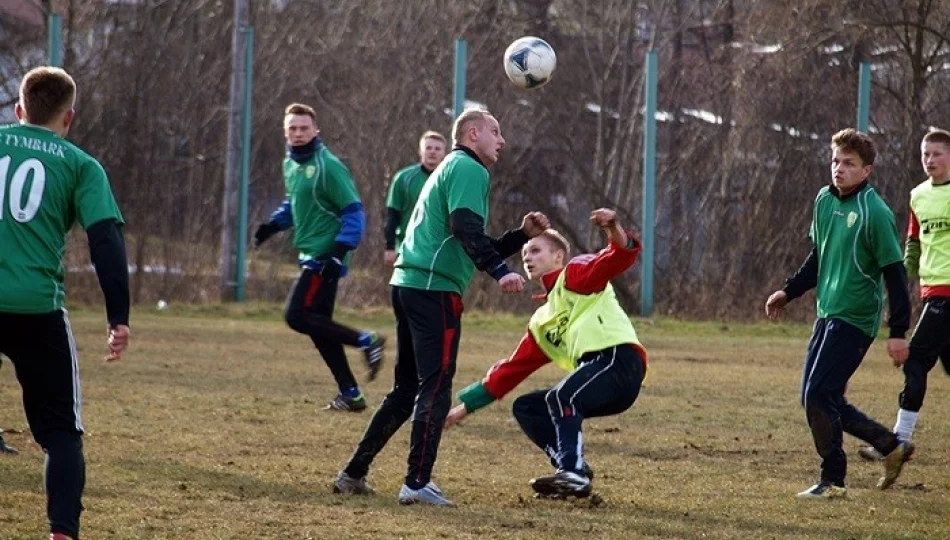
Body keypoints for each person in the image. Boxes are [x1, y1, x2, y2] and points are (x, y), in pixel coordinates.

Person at [333, 107, 549, 507]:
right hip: (433, 291)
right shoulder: (470, 169)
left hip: (410, 284)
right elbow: (466, 231)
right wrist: (501, 272)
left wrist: (521, 235)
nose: (501, 141)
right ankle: (417, 483)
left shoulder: (450, 167)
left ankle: (353, 473)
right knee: (435, 386)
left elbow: (467, 243)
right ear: (471, 134)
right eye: (495, 132)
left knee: (406, 390)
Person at [0, 66, 130, 540]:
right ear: (68, 117)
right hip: (37, 309)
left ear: (18, 110)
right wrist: (119, 317)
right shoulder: (80, 165)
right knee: (60, 433)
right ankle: (61, 533)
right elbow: (107, 243)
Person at [444, 208, 647, 499]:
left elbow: (617, 257)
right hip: (597, 377)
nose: (527, 257)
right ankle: (573, 468)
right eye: (524, 253)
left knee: (560, 397)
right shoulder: (543, 320)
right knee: (527, 407)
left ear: (558, 257)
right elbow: (510, 371)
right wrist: (461, 410)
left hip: (619, 362)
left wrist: (614, 228)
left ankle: (572, 473)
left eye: (536, 250)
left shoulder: (576, 274)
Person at [765, 128, 914, 499]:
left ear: (867, 170)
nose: (839, 169)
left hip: (856, 319)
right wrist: (789, 291)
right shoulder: (823, 201)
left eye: (849, 163)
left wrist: (898, 330)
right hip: (827, 313)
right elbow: (818, 257)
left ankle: (833, 481)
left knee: (818, 395)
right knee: (816, 397)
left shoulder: (874, 212)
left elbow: (896, 276)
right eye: (835, 161)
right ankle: (890, 445)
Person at [255, 103, 385, 412]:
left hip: (325, 256)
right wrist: (273, 225)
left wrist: (339, 253)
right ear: (285, 132)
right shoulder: (291, 163)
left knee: (296, 316)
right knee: (319, 326)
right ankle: (351, 394)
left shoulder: (328, 166)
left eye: (304, 128)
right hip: (311, 253)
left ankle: (367, 340)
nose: (298, 134)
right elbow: (296, 202)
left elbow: (354, 211)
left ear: (316, 130)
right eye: (292, 129)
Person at [859, 128, 950, 462]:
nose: (930, 160)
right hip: (932, 292)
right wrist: (908, 270)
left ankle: (898, 442)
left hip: (946, 295)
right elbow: (915, 239)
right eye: (925, 154)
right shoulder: (918, 195)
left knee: (915, 362)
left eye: (937, 153)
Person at [384, 131, 447, 265]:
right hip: (407, 248)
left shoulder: (449, 180)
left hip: (439, 251)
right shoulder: (403, 178)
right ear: (420, 151)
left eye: (437, 149)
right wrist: (390, 247)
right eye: (428, 148)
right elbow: (392, 215)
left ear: (444, 153)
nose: (432, 152)